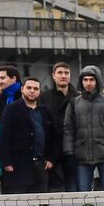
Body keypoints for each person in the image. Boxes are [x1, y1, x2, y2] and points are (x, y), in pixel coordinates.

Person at [0, 76, 59, 206]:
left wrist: (51, 159)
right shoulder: (11, 109)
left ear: (39, 91)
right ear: (23, 89)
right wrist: (6, 162)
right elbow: (4, 137)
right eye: (29, 88)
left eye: (36, 88)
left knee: (42, 202)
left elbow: (55, 137)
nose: (32, 91)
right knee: (19, 200)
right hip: (18, 165)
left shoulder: (45, 111)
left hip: (40, 164)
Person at [62, 65, 104, 192]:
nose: (88, 83)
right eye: (85, 80)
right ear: (81, 81)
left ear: (97, 81)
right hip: (82, 156)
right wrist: (69, 153)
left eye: (91, 79)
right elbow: (68, 130)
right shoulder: (74, 103)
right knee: (83, 194)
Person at [42, 62, 77, 191]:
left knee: (74, 191)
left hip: (73, 151)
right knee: (54, 191)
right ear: (53, 75)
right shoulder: (44, 97)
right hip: (50, 153)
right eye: (60, 73)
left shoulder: (77, 97)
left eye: (66, 73)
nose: (63, 76)